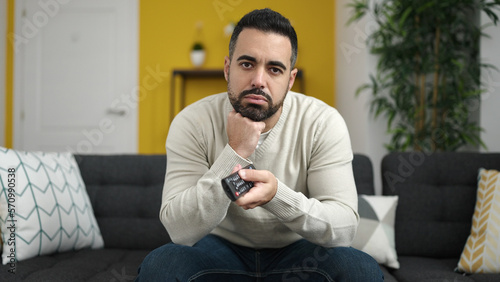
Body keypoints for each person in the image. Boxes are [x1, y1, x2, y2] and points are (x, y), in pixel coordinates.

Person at [136, 8, 383, 282]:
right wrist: (234, 153)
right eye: (247, 64)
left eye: (274, 69)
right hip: (217, 250)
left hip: (299, 250)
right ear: (228, 68)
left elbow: (345, 227)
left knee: (361, 270)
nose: (258, 80)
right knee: (160, 266)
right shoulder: (192, 122)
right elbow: (179, 229)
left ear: (290, 80)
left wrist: (277, 196)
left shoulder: (322, 122)